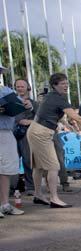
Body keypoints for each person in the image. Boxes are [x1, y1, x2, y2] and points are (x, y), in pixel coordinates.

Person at [28, 73, 81, 208]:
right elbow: (78, 118)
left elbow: (55, 116)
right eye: (62, 83)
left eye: (66, 83)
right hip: (41, 132)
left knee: (39, 167)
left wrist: (68, 126)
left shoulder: (51, 96)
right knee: (53, 166)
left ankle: (38, 195)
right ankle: (54, 198)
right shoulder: (58, 98)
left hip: (36, 130)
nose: (66, 85)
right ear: (54, 85)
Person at [0, 67, 29, 217]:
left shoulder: (6, 90)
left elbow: (21, 104)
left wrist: (27, 105)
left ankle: (5, 204)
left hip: (6, 132)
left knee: (6, 169)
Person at [12, 79, 36, 196]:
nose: (20, 88)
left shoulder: (34, 103)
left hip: (26, 135)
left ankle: (31, 187)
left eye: (22, 86)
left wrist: (30, 121)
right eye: (17, 86)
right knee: (12, 162)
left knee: (28, 161)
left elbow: (40, 117)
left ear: (28, 87)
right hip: (12, 135)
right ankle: (12, 188)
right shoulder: (11, 101)